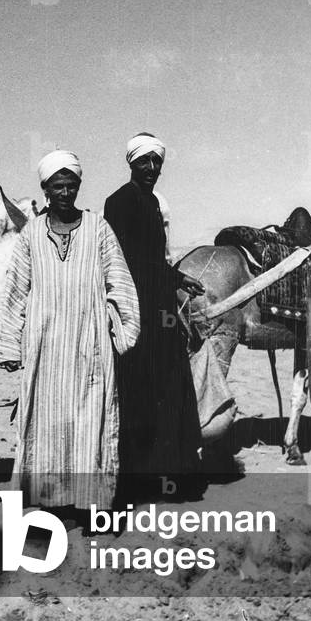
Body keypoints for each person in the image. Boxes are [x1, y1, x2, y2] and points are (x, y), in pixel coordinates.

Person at [0, 150, 140, 519]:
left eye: (71, 185)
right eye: (57, 186)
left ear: (79, 186)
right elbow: (15, 290)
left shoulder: (98, 228)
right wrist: (10, 342)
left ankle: (94, 508)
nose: (64, 192)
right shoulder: (30, 235)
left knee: (92, 421)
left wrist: (124, 331)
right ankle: (50, 504)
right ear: (45, 189)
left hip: (90, 345)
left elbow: (119, 282)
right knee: (46, 424)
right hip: (44, 348)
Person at [104, 133, 205, 494]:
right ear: (131, 163)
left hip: (159, 305)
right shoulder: (119, 202)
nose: (151, 168)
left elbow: (152, 259)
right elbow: (126, 260)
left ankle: (167, 474)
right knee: (140, 390)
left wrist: (177, 278)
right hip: (136, 309)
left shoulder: (152, 203)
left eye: (156, 162)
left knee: (169, 385)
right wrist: (169, 279)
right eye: (144, 161)